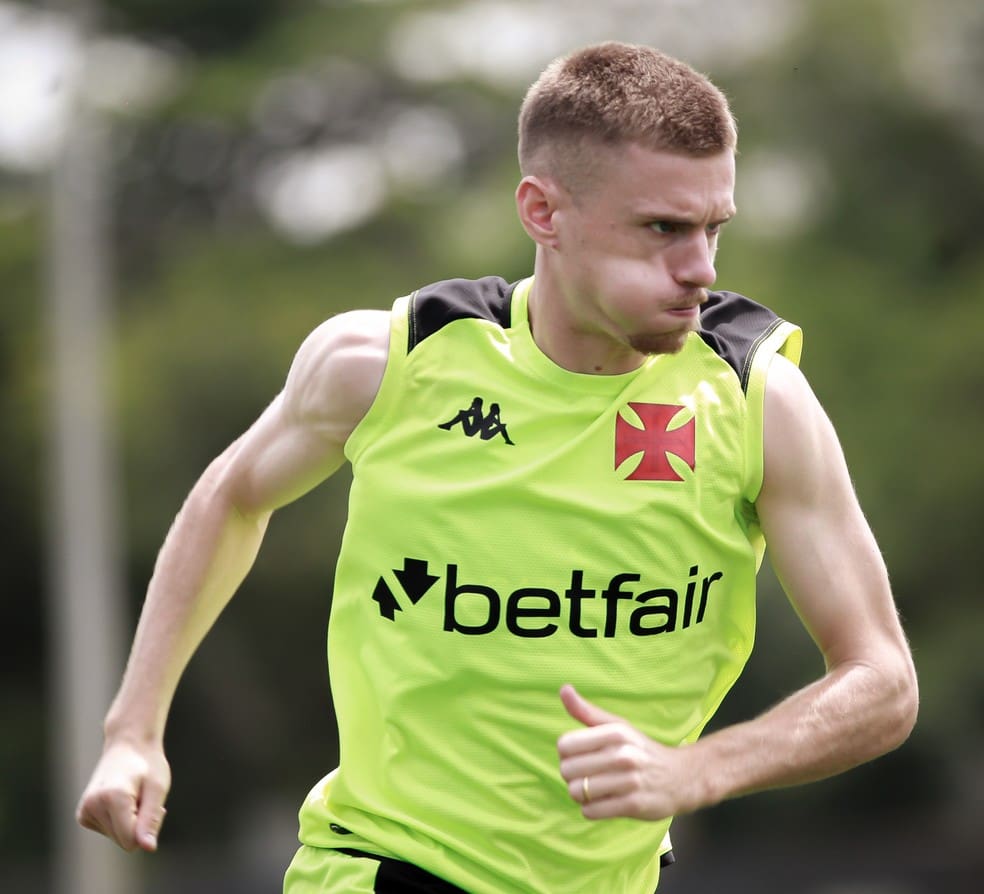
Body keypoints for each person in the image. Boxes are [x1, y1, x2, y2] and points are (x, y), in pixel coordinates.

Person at [77, 42, 919, 893]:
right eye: (663, 228)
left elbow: (882, 683)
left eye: (713, 229)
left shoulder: (754, 401)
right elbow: (231, 497)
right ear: (542, 212)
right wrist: (133, 731)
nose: (700, 268)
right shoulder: (389, 362)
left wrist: (696, 770)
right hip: (382, 864)